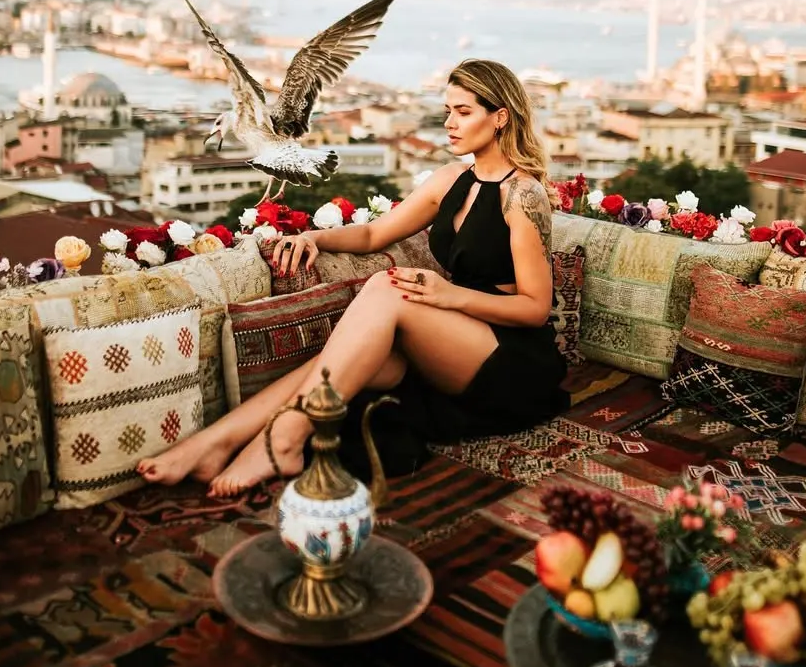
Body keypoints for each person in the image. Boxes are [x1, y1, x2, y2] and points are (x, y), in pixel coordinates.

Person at [138, 58, 567, 497]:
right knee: (330, 365)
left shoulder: (524, 195)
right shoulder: (450, 179)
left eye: (463, 111)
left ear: (499, 118)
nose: (449, 124)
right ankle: (214, 443)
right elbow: (374, 233)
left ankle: (283, 440)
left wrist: (448, 295)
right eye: (447, 111)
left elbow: (534, 309)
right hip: (456, 341)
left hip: (512, 362)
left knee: (388, 287)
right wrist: (315, 237)